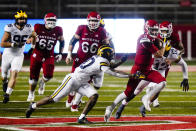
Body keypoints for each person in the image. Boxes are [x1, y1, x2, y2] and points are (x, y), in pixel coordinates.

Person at [25, 45, 143, 124]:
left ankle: (81, 118)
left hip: (82, 82)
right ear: (106, 54)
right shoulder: (102, 61)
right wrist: (130, 75)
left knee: (94, 96)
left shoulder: (99, 59)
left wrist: (120, 62)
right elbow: (113, 72)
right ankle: (33, 106)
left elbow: (110, 67)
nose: (112, 55)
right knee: (53, 99)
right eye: (110, 53)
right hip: (72, 80)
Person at [104, 19, 167, 122]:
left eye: (156, 30)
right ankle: (110, 107)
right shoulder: (144, 39)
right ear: (146, 29)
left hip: (148, 70)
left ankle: (146, 98)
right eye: (152, 30)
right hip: (138, 70)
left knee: (163, 82)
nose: (155, 32)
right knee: (127, 93)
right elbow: (158, 55)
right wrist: (163, 45)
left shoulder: (151, 38)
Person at [69, 18, 127, 112]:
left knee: (97, 86)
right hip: (91, 61)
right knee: (83, 82)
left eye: (101, 26)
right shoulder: (86, 30)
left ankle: (76, 99)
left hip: (100, 62)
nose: (100, 28)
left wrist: (112, 59)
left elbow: (111, 48)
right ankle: (74, 104)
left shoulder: (104, 33)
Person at [139, 21, 189, 117]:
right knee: (141, 88)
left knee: (159, 87)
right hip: (153, 62)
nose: (164, 33)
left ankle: (147, 103)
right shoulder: (155, 36)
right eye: (162, 31)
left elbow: (181, 49)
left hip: (164, 64)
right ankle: (141, 99)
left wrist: (173, 56)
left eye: (166, 31)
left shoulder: (174, 38)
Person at [65, 11, 110, 108]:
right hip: (79, 59)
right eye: (91, 20)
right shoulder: (81, 28)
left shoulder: (102, 31)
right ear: (88, 21)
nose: (93, 23)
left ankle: (75, 103)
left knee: (85, 83)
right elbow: (72, 41)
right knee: (73, 81)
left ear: (99, 21)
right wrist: (69, 54)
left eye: (95, 21)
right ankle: (70, 100)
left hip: (91, 62)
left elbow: (106, 45)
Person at [27, 12, 65, 102]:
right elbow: (32, 36)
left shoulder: (58, 29)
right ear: (45, 20)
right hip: (37, 53)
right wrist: (31, 45)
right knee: (33, 78)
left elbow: (62, 41)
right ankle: (31, 93)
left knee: (48, 75)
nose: (51, 22)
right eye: (50, 20)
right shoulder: (38, 27)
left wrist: (60, 53)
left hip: (49, 55)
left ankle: (42, 82)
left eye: (53, 20)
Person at [1, 10, 34, 103]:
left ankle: (7, 94)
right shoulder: (10, 28)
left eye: (24, 19)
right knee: (4, 76)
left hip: (18, 55)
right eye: (20, 19)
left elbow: (34, 36)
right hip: (8, 54)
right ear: (16, 19)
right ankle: (5, 81)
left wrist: (32, 45)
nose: (22, 20)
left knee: (14, 73)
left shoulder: (29, 28)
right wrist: (13, 44)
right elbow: (2, 43)